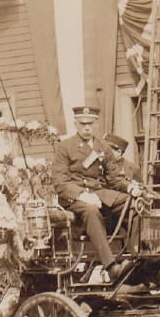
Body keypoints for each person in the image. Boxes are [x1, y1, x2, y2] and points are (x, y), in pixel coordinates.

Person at [52, 106, 141, 281]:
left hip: (99, 193)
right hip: (74, 197)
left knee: (133, 203)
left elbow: (114, 178)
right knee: (91, 210)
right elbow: (60, 182)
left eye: (90, 124)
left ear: (96, 124)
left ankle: (135, 256)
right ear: (75, 124)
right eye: (83, 124)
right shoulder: (65, 147)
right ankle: (111, 267)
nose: (87, 128)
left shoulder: (104, 147)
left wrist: (129, 187)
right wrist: (82, 195)